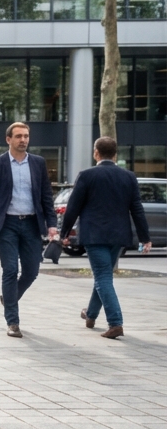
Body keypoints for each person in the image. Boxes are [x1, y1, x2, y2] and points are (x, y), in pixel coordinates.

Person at [59, 136, 151, 340]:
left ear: (96, 153)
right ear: (115, 154)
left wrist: (63, 233)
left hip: (94, 235)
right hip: (118, 236)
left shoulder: (87, 175)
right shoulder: (128, 177)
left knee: (102, 277)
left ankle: (115, 323)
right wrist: (145, 237)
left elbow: (73, 207)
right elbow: (137, 209)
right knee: (104, 276)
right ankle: (90, 315)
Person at [0, 121, 58, 338]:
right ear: (8, 139)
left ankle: (9, 297)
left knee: (31, 271)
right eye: (19, 136)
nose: (23, 140)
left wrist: (52, 224)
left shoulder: (38, 163)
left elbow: (46, 196)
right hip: (7, 224)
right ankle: (13, 321)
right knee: (10, 269)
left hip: (31, 223)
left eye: (26, 136)